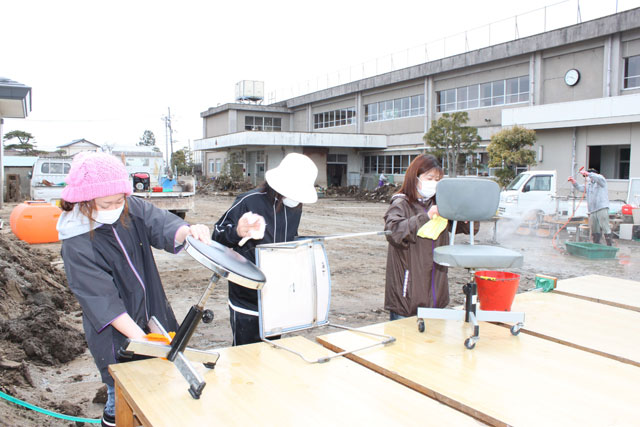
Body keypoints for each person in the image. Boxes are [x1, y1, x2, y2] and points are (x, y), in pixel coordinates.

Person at [56, 152, 211, 427]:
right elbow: (103, 302)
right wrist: (142, 340)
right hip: (117, 336)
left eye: (120, 199)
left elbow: (163, 225)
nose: (116, 206)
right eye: (107, 202)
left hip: (155, 317)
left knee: (158, 393)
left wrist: (188, 232)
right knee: (123, 398)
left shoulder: (131, 209)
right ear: (84, 200)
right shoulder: (77, 243)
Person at [212, 153, 318, 346]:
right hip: (246, 298)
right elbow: (216, 236)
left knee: (270, 353)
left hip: (276, 296)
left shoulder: (295, 207)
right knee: (244, 357)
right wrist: (237, 231)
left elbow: (287, 238)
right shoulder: (249, 201)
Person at [383, 154, 476, 320]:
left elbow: (466, 227)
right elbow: (394, 232)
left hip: (436, 292)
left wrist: (469, 215)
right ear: (415, 177)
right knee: (404, 342)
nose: (434, 183)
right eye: (430, 177)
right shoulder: (401, 203)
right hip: (407, 296)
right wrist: (425, 216)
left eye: (438, 179)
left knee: (432, 340)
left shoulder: (439, 202)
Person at [568, 168, 612, 246]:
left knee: (605, 226)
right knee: (595, 229)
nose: (587, 178)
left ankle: (609, 245)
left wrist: (588, 173)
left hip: (601, 207)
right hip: (592, 210)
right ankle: (596, 244)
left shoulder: (601, 180)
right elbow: (580, 188)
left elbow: (598, 178)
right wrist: (573, 182)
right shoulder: (589, 185)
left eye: (587, 176)